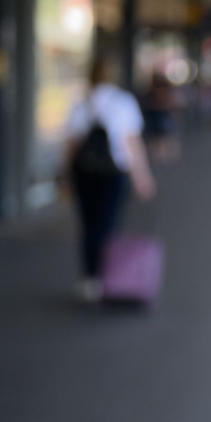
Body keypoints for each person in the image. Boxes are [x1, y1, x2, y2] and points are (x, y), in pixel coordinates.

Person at [61, 60, 157, 302]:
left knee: (89, 225)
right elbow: (132, 143)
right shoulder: (123, 102)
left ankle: (89, 278)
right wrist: (142, 176)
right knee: (108, 224)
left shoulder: (81, 103)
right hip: (114, 173)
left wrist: (66, 176)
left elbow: (71, 146)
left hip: (84, 172)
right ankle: (108, 276)